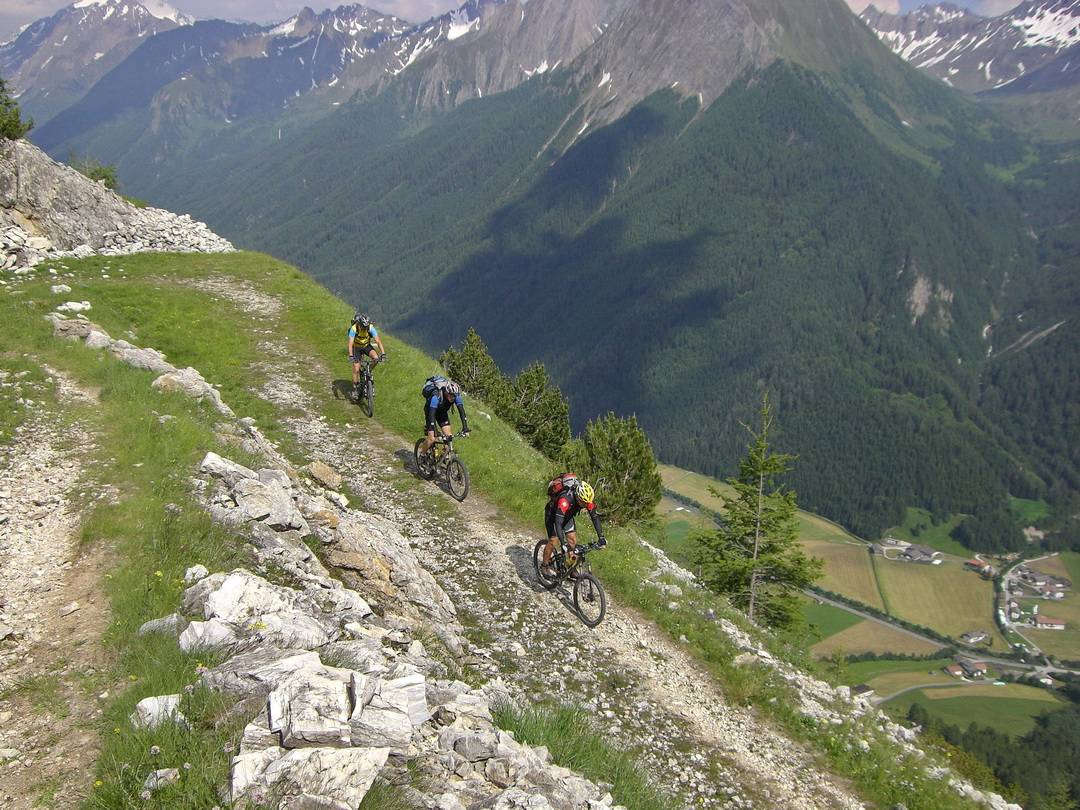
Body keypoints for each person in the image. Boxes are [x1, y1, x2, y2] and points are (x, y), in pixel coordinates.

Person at [542, 474, 606, 575]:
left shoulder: (586, 500)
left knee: (572, 541)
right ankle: (545, 565)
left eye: (587, 503)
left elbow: (595, 517)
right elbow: (558, 523)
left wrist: (601, 537)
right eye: (584, 503)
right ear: (578, 497)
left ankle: (569, 568)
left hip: (567, 516)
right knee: (554, 540)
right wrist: (563, 543)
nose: (586, 505)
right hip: (553, 515)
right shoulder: (565, 500)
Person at [421, 375, 470, 453]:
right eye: (451, 396)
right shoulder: (436, 396)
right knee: (432, 438)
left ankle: (444, 458)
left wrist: (465, 428)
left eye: (454, 396)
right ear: (446, 392)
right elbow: (431, 414)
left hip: (442, 414)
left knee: (449, 437)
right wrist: (434, 429)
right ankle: (422, 455)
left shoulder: (455, 395)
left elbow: (462, 411)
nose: (453, 398)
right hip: (430, 413)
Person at [348, 313, 386, 396]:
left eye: (366, 327)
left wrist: (383, 353)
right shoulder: (354, 328)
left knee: (376, 359)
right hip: (356, 348)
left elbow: (378, 341)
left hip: (366, 346)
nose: (365, 329)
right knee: (356, 368)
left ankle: (368, 370)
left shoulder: (370, 327)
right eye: (363, 327)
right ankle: (355, 388)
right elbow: (350, 344)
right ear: (360, 324)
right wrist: (351, 355)